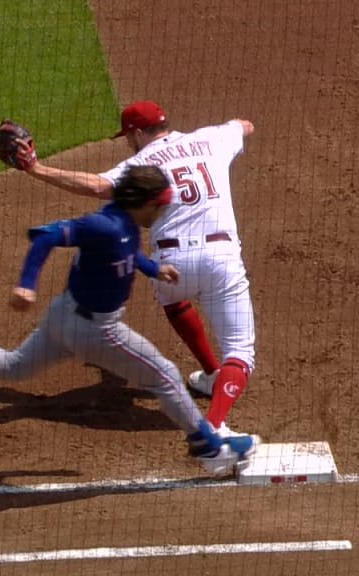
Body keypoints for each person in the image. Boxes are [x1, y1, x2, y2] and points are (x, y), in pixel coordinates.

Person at [0, 165, 258, 475]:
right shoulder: (103, 225)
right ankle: (209, 449)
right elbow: (45, 236)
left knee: (12, 366)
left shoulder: (123, 222)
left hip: (62, 316)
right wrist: (26, 284)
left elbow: (125, 251)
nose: (163, 212)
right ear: (145, 202)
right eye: (160, 205)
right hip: (95, 330)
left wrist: (153, 269)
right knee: (165, 375)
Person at [16, 100, 257, 431]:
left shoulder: (140, 166)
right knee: (241, 352)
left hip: (170, 265)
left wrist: (36, 168)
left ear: (141, 133)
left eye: (129, 136)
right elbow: (245, 125)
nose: (129, 142)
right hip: (222, 259)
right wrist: (232, 128)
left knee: (174, 297)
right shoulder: (214, 138)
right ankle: (213, 426)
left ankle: (211, 374)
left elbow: (97, 185)